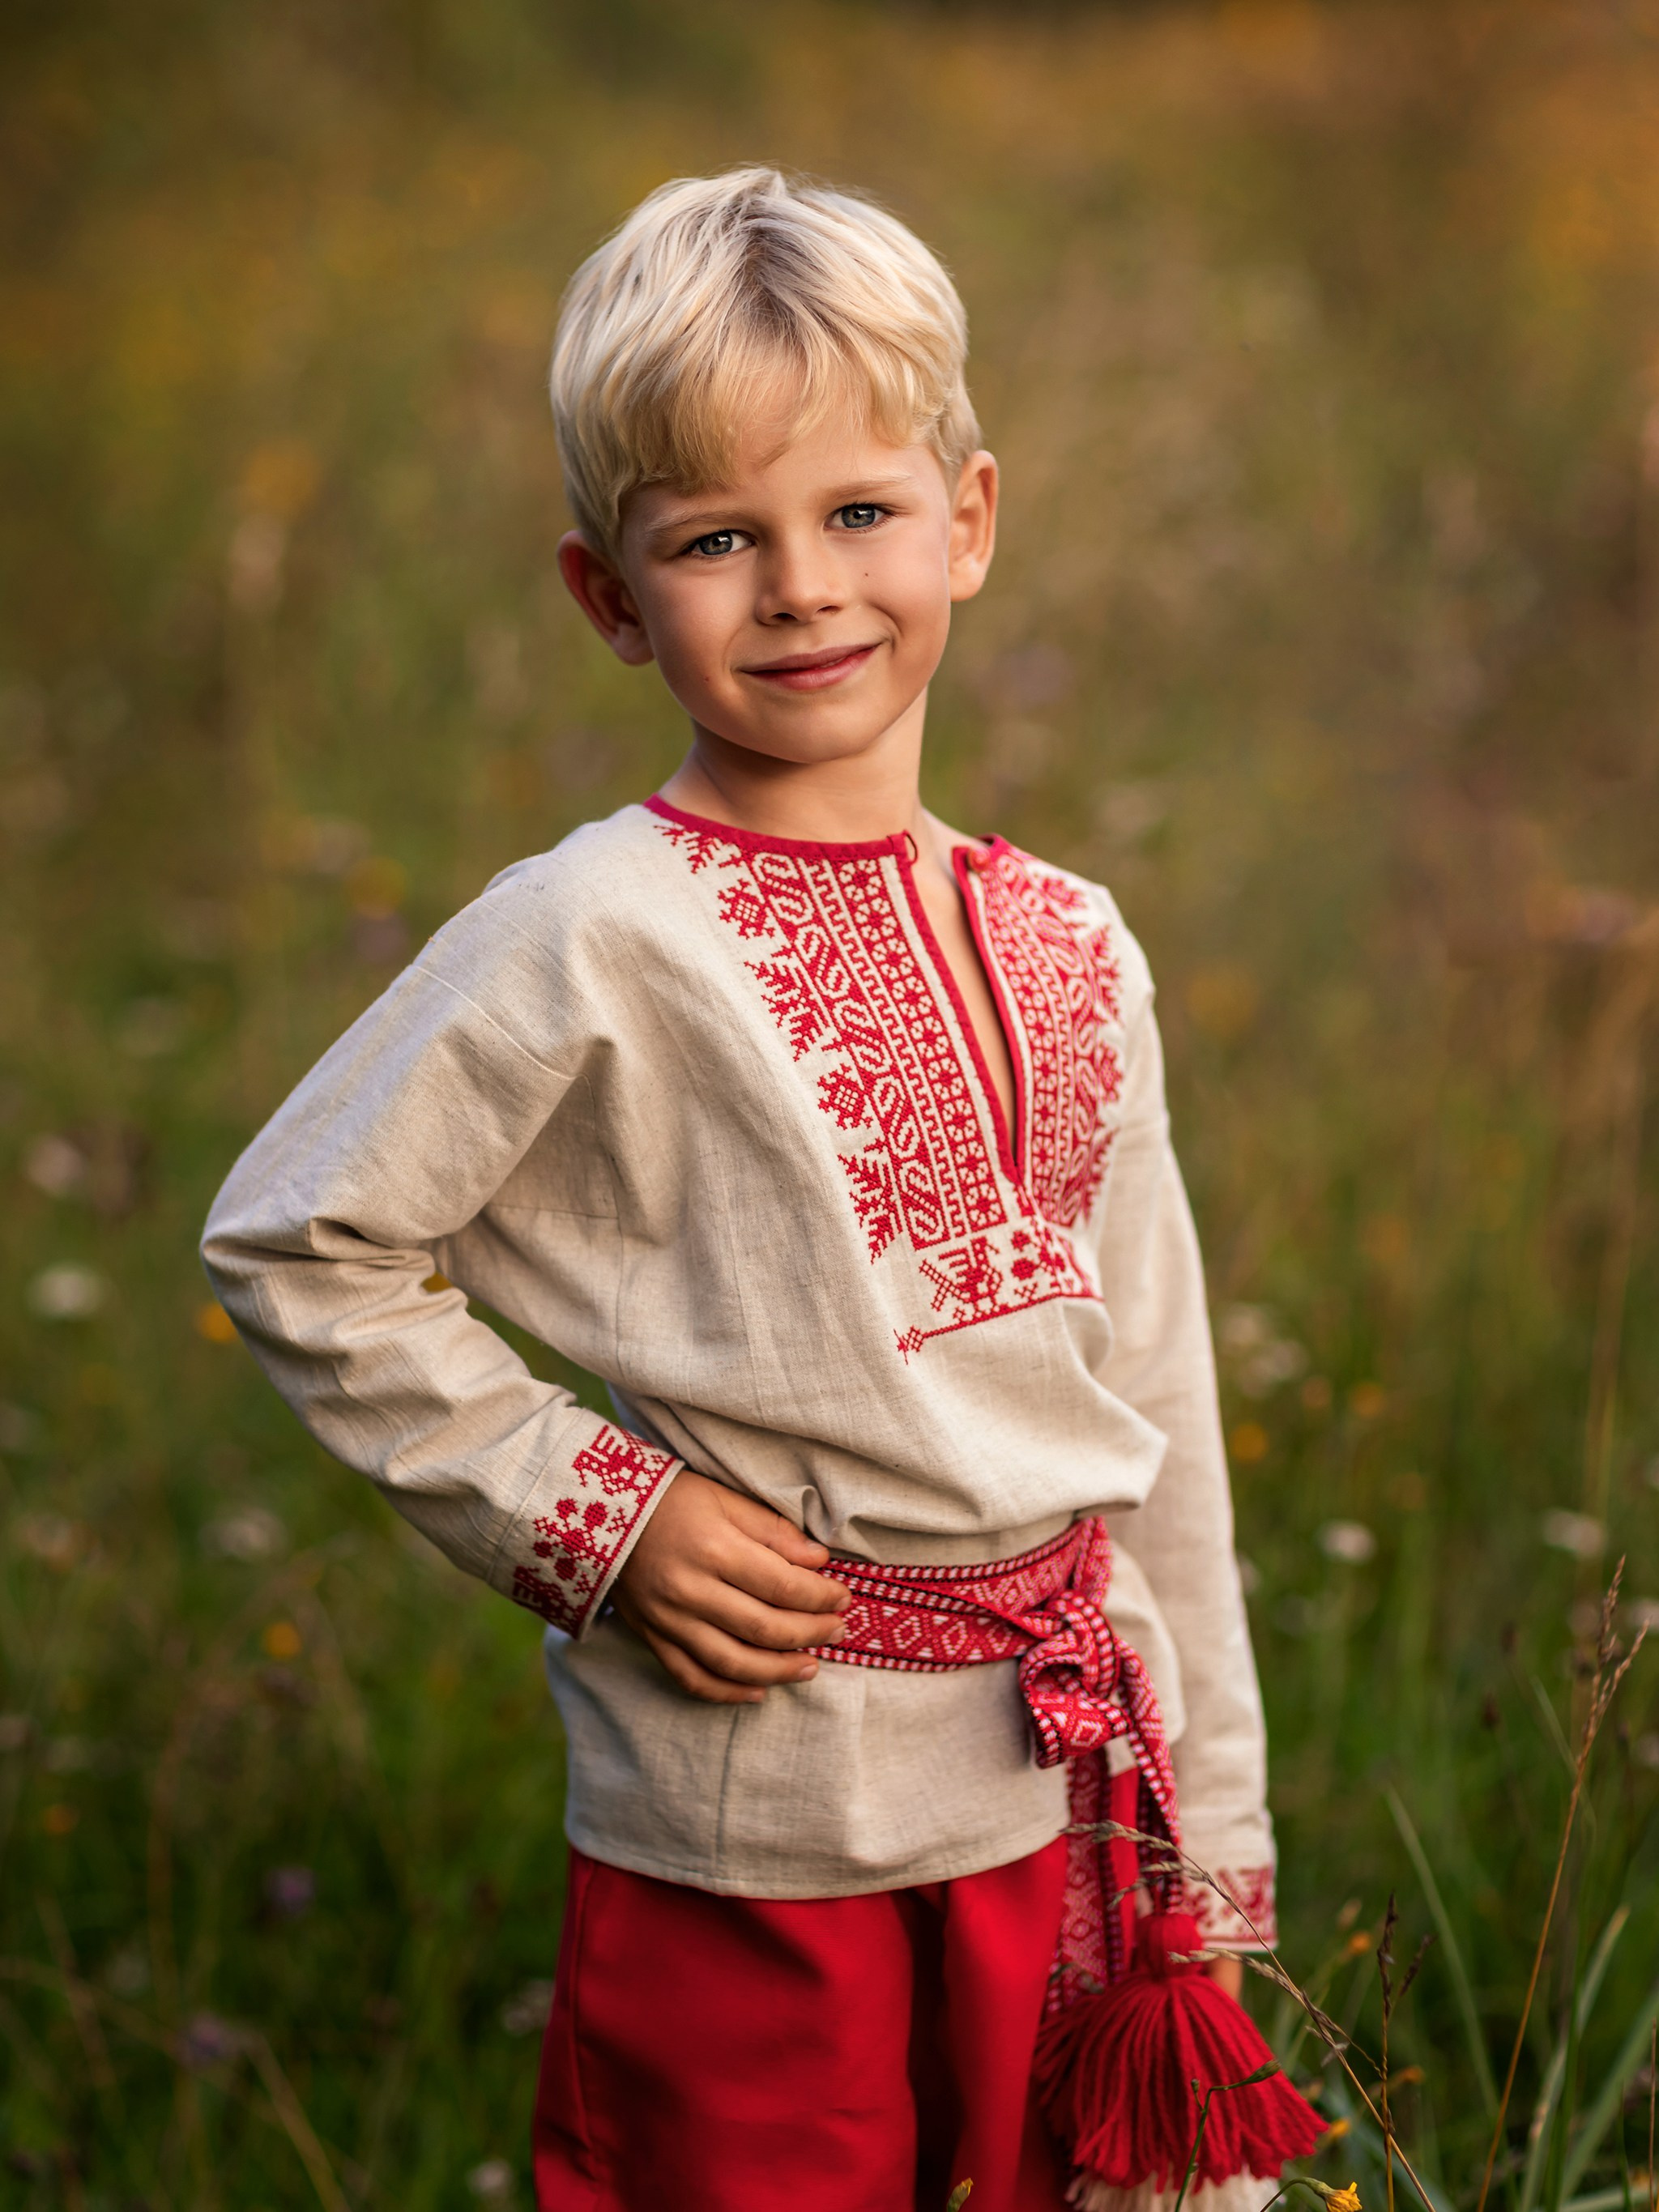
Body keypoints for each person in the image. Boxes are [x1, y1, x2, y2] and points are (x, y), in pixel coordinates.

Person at [202, 167, 1287, 2212]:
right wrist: (591, 1515)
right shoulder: (587, 929)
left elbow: (1159, 1414)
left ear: (968, 519)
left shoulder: (1072, 933)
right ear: (609, 597)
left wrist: (1208, 1854)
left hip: (1067, 1802)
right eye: (715, 539)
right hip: (756, 1813)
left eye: (858, 512)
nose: (801, 586)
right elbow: (300, 1236)